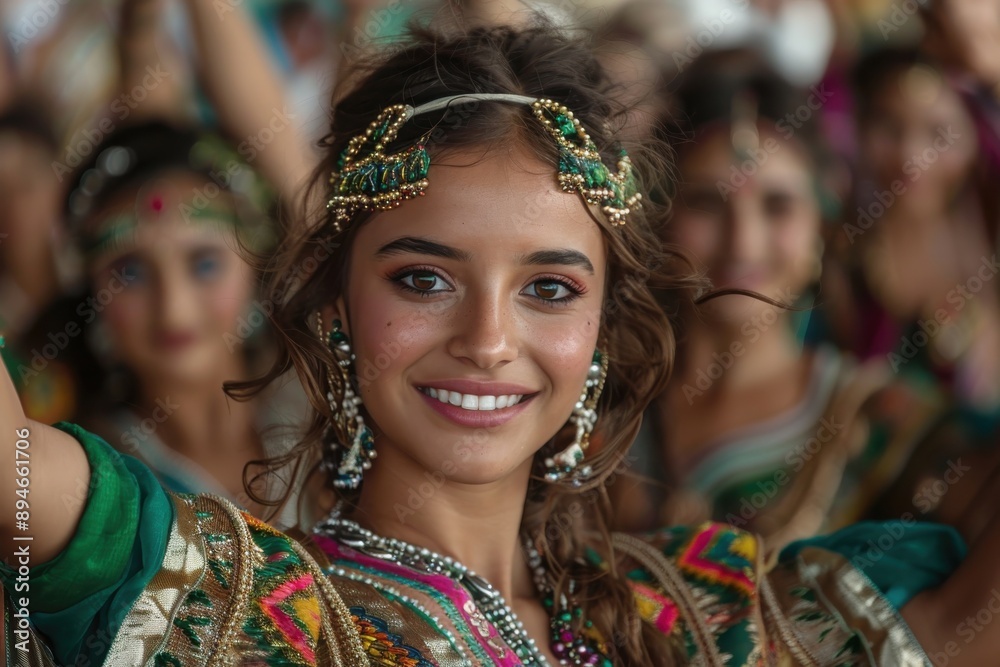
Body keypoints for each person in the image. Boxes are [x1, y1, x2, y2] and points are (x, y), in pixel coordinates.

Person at [0, 22, 994, 667]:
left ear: (603, 324)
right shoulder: (239, 607)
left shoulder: (692, 616)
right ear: (335, 304)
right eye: (423, 279)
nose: (487, 339)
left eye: (549, 287)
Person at [609, 55, 965, 551]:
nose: (744, 244)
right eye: (708, 203)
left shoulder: (883, 424)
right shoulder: (601, 406)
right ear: (661, 219)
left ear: (822, 224)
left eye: (778, 206)